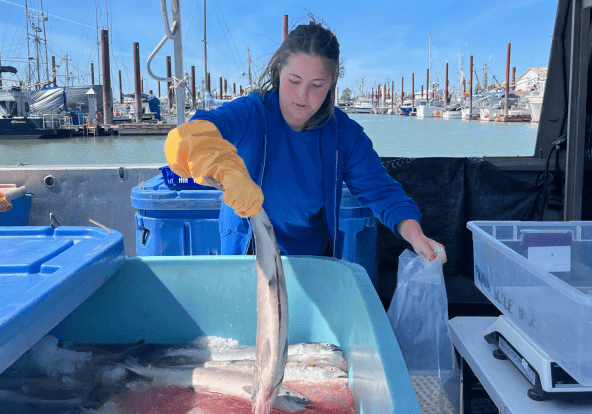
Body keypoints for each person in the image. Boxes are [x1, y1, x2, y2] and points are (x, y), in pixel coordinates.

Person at [165, 18, 445, 263]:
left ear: (332, 83)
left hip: (312, 257)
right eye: (294, 81)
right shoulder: (251, 112)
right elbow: (188, 137)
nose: (302, 96)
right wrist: (224, 168)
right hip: (247, 254)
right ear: (278, 71)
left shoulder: (344, 134)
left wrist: (416, 235)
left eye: (316, 86)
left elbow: (382, 191)